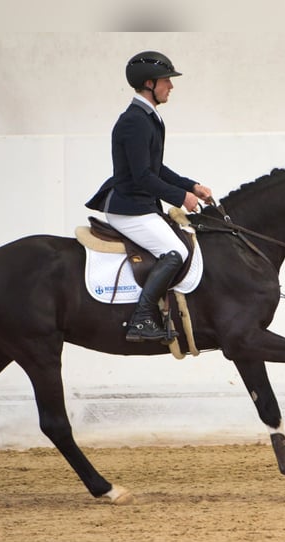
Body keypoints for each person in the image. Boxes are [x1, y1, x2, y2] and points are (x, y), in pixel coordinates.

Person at [86, 50, 213, 343]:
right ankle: (141, 320)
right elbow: (143, 176)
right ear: (149, 84)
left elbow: (156, 167)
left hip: (142, 204)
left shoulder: (148, 118)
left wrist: (191, 186)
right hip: (129, 207)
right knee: (176, 252)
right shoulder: (135, 121)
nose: (171, 86)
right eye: (167, 80)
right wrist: (180, 197)